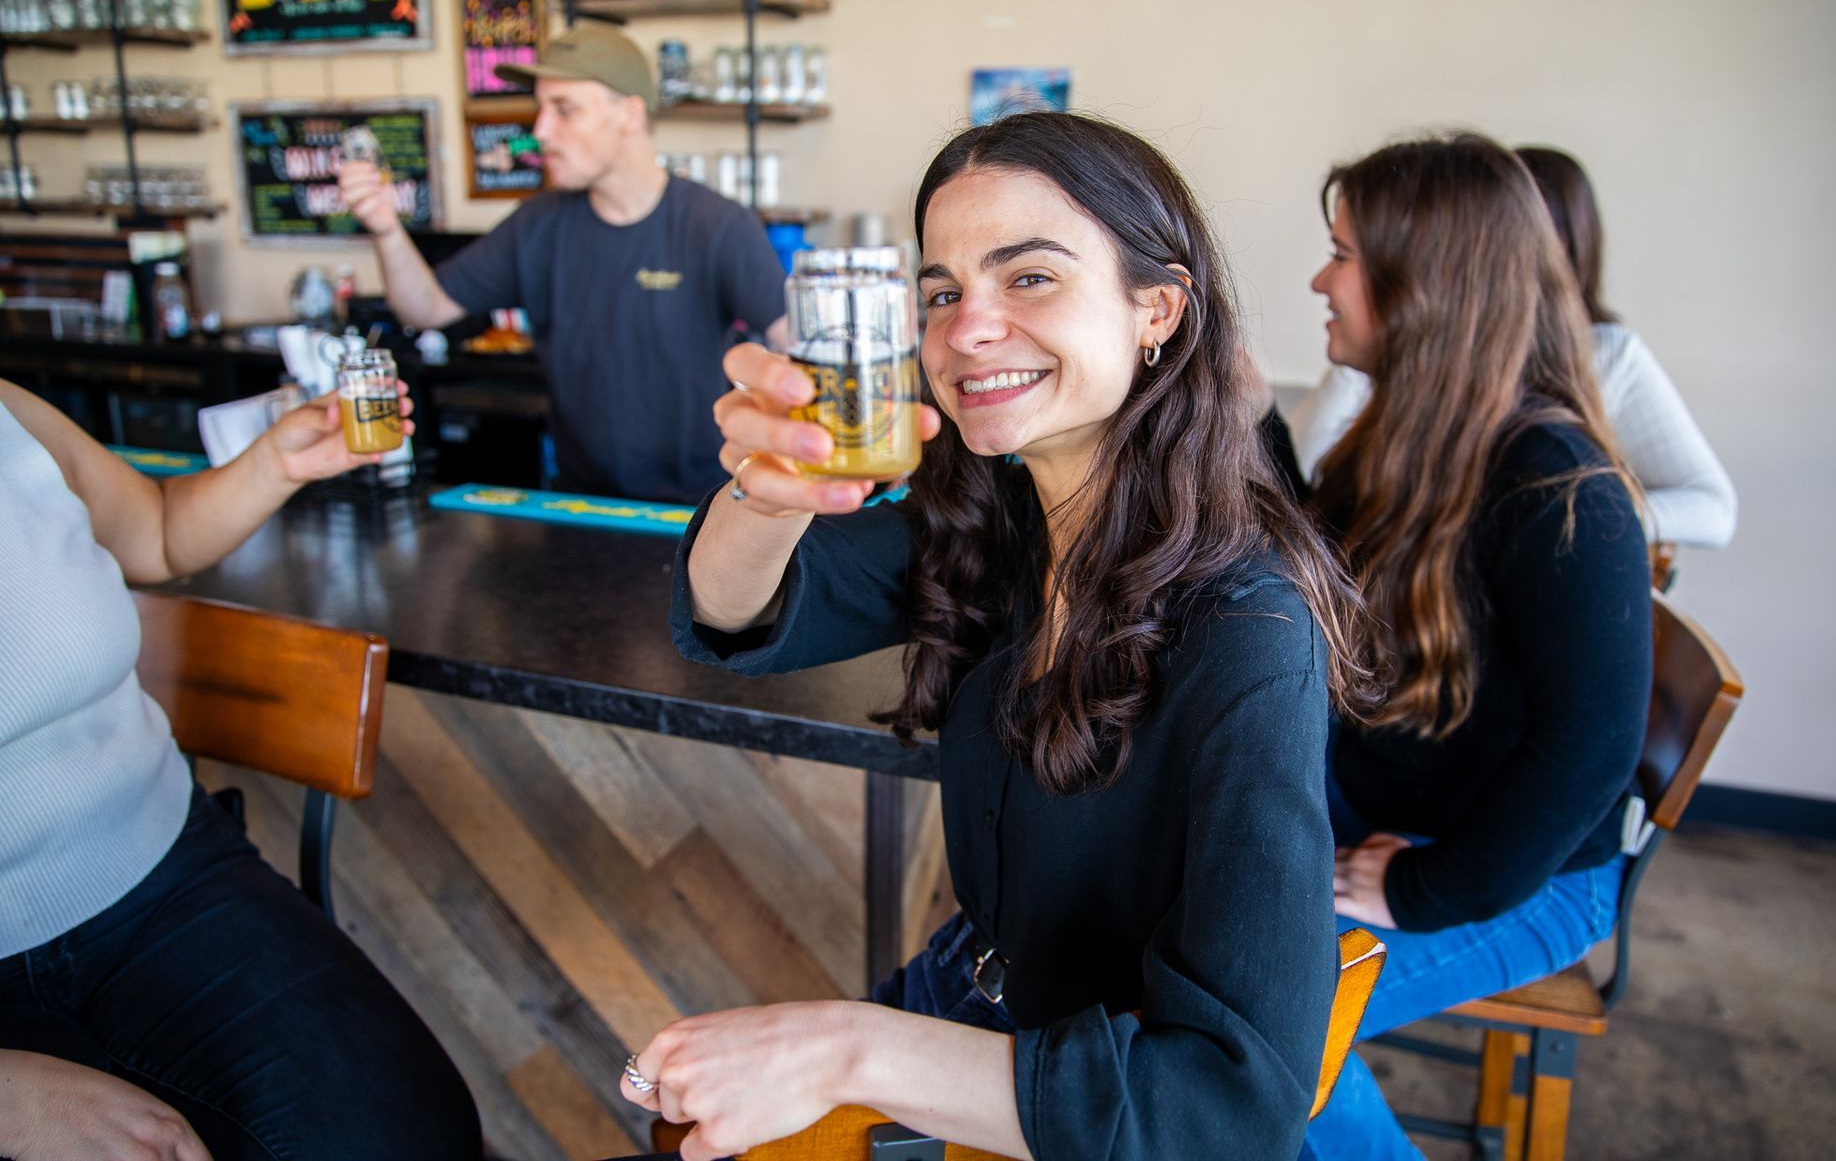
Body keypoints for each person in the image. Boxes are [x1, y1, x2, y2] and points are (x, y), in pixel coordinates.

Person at [623, 112, 1379, 1161]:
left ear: (1156, 309)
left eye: (1028, 277)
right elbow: (733, 612)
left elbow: (1225, 1111)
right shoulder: (1004, 515)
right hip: (964, 1001)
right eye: (942, 291)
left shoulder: (1248, 627)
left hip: (1076, 1099)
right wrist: (767, 492)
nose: (966, 327)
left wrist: (851, 1047)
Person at [0, 379, 483, 1161]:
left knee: (409, 1134)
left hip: (164, 874)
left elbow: (155, 532)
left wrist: (276, 465)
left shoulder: (8, 415)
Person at [1296, 135, 1653, 1159]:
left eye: (1343, 254)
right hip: (1401, 827)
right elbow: (1311, 580)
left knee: (1262, 1016)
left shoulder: (1553, 480)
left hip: (1526, 879)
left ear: (1426, 286)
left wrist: (1426, 889)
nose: (1322, 279)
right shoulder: (1403, 436)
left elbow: (1588, 749)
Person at [339, 20, 789, 503]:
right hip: (579, 506)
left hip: (704, 510)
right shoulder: (539, 224)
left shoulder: (716, 225)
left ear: (629, 115)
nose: (540, 131)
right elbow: (423, 308)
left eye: (565, 110)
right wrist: (386, 229)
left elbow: (796, 350)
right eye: (541, 109)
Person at [1286, 143, 1737, 549]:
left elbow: (1712, 507)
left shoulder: (1550, 470)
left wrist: (1590, 522)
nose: (1319, 281)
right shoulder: (1406, 418)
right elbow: (1313, 525)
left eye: (1341, 256)